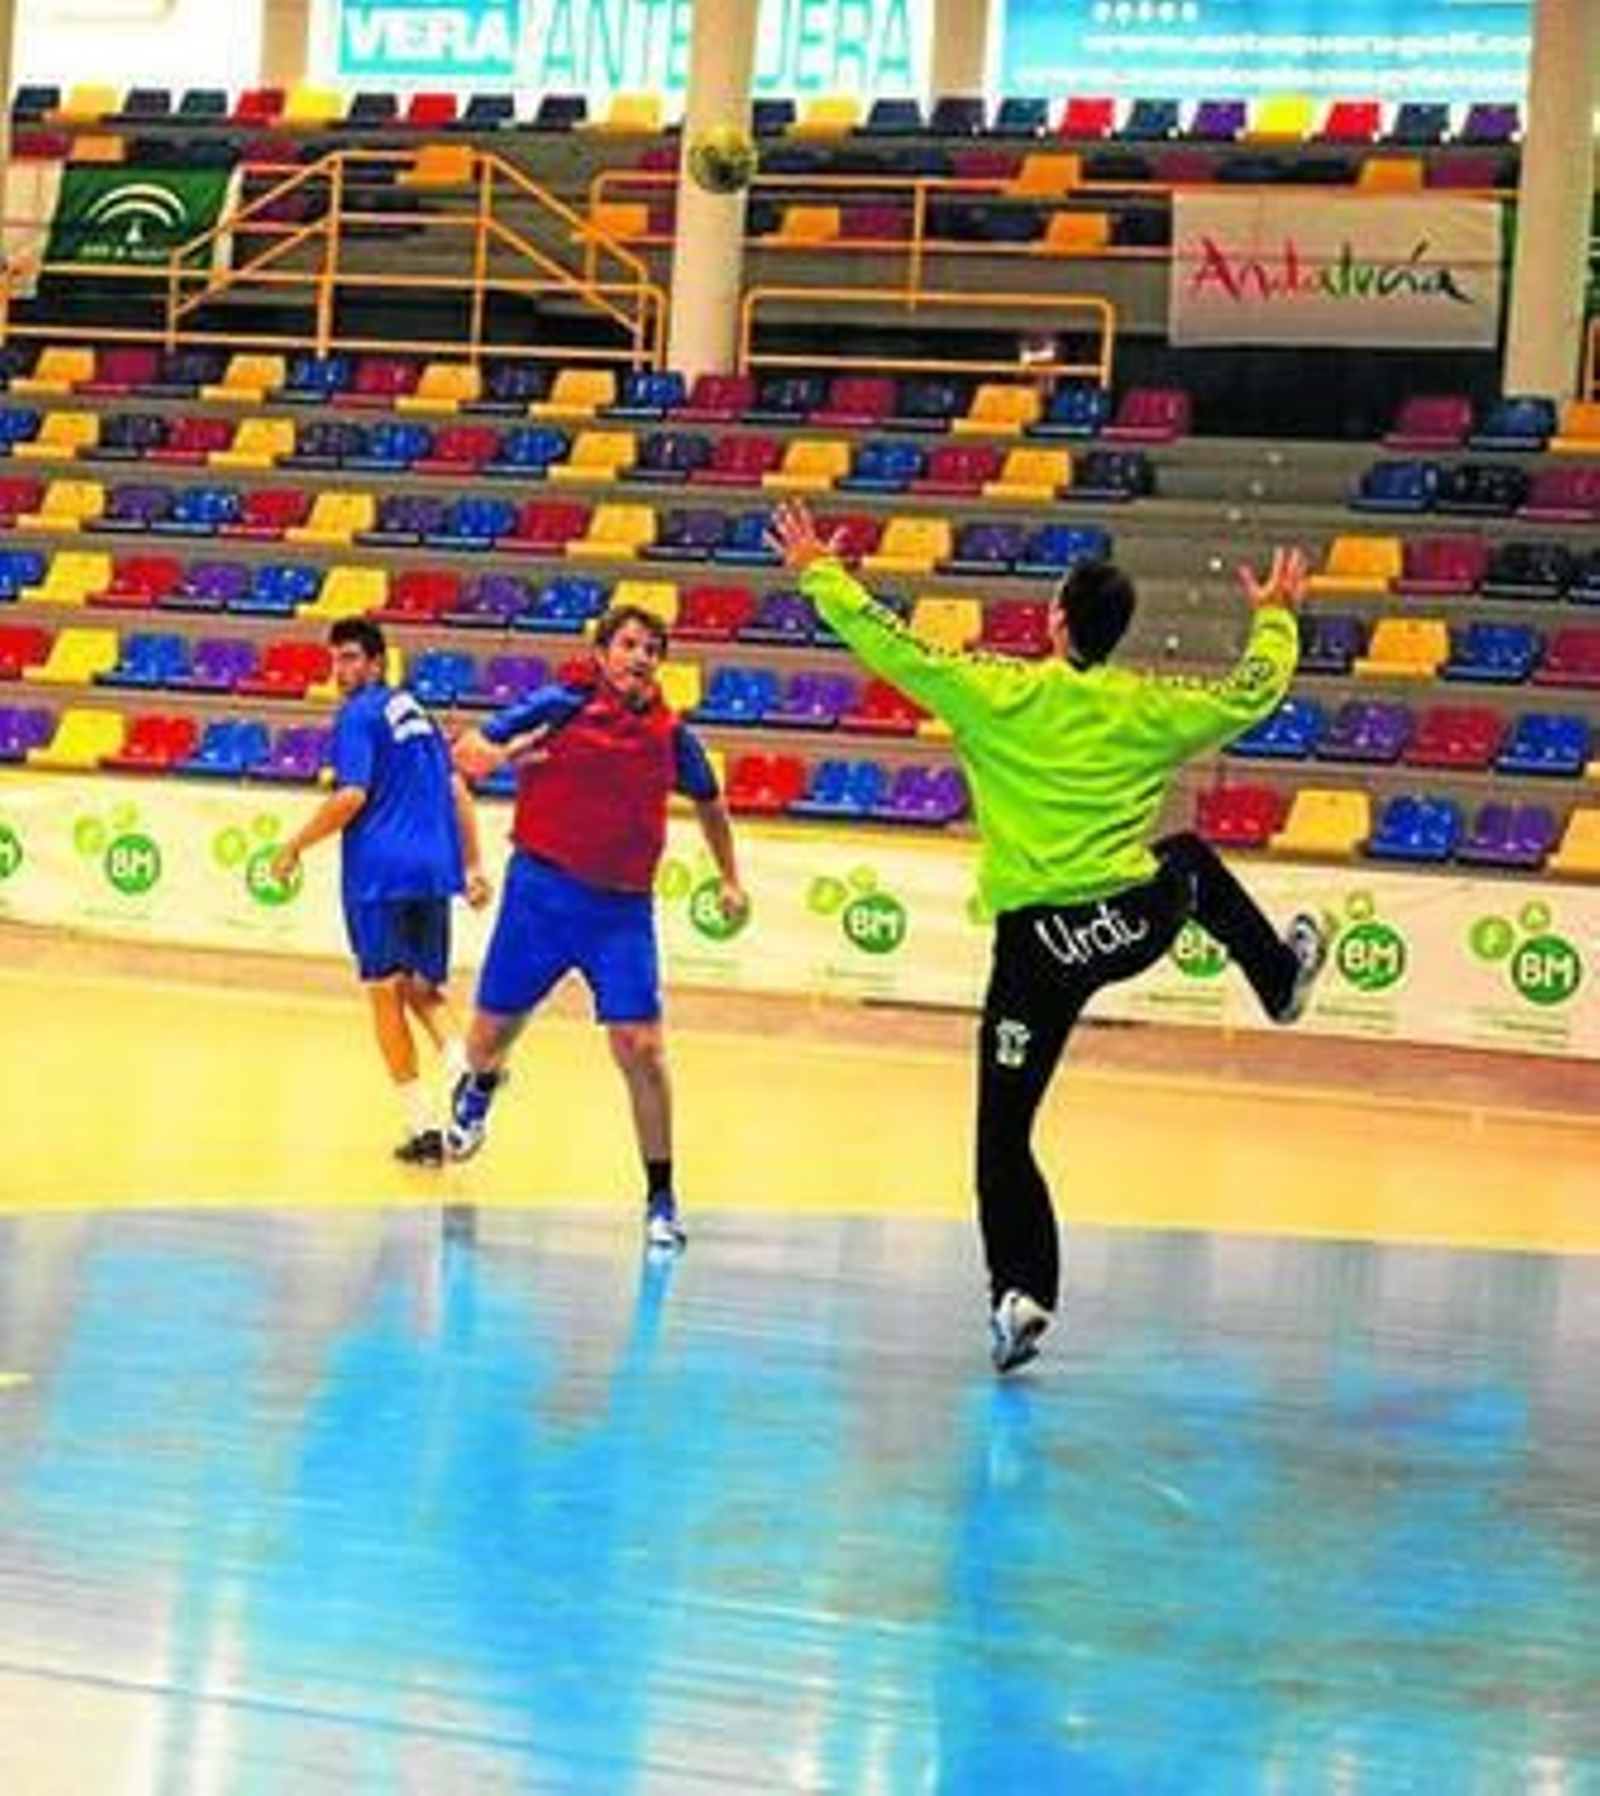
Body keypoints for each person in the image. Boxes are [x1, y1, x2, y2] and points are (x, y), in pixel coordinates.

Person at [767, 497, 1326, 1374]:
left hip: (1037, 951)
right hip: (1126, 923)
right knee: (1185, 858)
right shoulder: (1148, 707)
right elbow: (1250, 696)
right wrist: (1277, 621)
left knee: (1002, 1133)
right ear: (1120, 632)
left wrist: (820, 573)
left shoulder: (997, 692)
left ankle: (1018, 1296)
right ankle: (1279, 980)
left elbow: (894, 645)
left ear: (1054, 617)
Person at [446, 602, 748, 1253]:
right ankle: (482, 1083)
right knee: (484, 1040)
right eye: (630, 644)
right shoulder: (560, 703)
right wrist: (505, 754)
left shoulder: (672, 735)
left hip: (620, 914)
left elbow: (711, 803)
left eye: (653, 649)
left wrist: (730, 877)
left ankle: (661, 1198)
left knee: (641, 1048)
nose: (641, 658)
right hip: (540, 898)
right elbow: (467, 755)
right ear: (603, 652)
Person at [270, 617, 491, 1166]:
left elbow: (350, 796)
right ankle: (464, 1070)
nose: (340, 671)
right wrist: (472, 864)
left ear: (375, 663)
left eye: (350, 659)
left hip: (379, 872)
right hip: (432, 870)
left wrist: (294, 845)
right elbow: (457, 790)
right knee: (421, 988)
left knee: (382, 993)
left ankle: (421, 1129)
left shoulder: (358, 715)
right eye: (336, 660)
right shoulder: (417, 713)